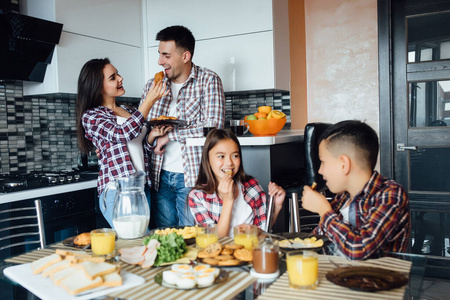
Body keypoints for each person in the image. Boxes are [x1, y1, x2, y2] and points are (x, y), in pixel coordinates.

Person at [140, 25, 226, 227]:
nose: (160, 61)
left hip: (193, 177)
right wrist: (153, 136)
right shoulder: (152, 86)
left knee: (192, 238)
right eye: (160, 55)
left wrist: (170, 136)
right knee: (166, 239)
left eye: (166, 55)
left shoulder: (208, 80)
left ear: (185, 56)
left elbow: (213, 129)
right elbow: (142, 131)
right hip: (159, 176)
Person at [76, 58, 171, 228]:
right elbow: (122, 133)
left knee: (143, 242)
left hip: (141, 187)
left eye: (117, 73)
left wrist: (152, 137)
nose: (120, 78)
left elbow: (137, 149)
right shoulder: (92, 117)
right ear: (98, 86)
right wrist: (149, 101)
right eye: (112, 77)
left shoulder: (129, 110)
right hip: (118, 191)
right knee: (133, 242)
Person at [301, 120, 410, 260]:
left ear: (344, 164)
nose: (320, 171)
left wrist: (324, 211)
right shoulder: (342, 200)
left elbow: (359, 250)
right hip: (334, 276)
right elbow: (316, 242)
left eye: (323, 162)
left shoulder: (391, 195)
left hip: (372, 280)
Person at [188, 129, 286, 237]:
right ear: (207, 159)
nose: (229, 163)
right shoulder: (198, 196)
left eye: (235, 156)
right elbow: (215, 241)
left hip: (250, 250)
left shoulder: (251, 186)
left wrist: (276, 205)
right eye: (221, 156)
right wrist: (228, 201)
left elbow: (262, 228)